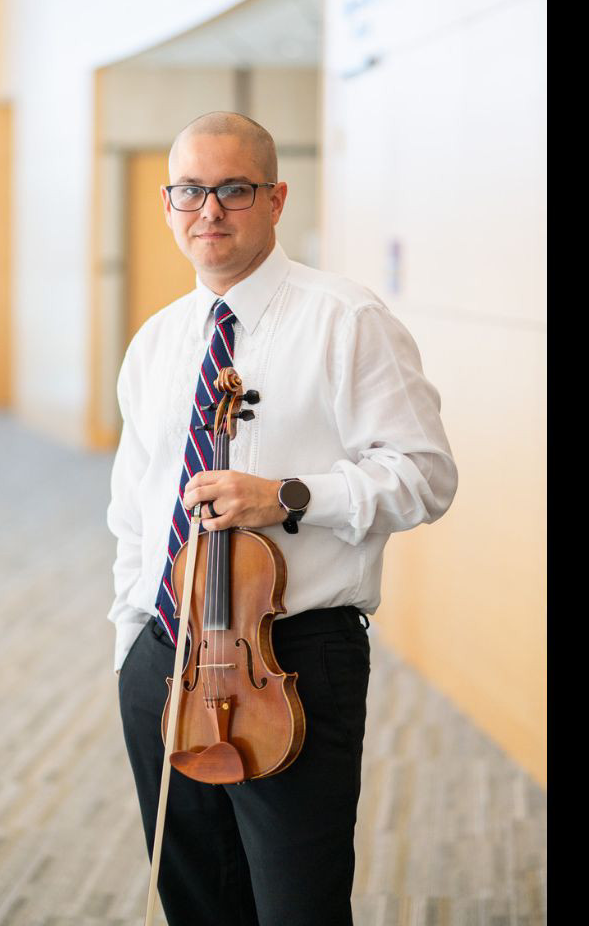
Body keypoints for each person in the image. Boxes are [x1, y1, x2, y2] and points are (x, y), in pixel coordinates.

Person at [107, 111, 457, 925]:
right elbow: (134, 508)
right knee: (196, 900)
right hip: (168, 657)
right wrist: (131, 642)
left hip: (291, 663)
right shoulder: (158, 343)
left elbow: (427, 477)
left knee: (297, 908)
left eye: (234, 189)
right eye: (190, 191)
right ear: (168, 203)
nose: (210, 212)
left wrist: (289, 496)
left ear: (275, 198)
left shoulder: (347, 321)